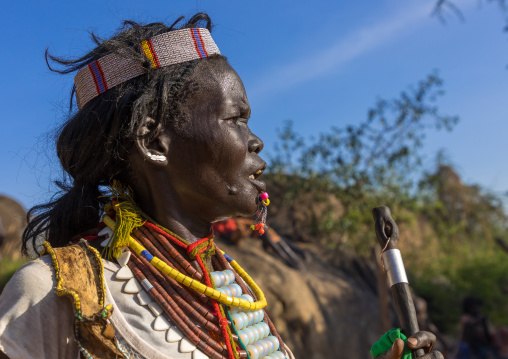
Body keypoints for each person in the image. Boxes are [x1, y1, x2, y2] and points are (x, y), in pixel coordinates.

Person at [0, 13, 442, 359]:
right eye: (236, 119)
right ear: (155, 142)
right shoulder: (53, 294)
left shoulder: (234, 293)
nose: (255, 140)